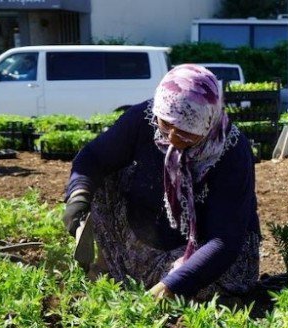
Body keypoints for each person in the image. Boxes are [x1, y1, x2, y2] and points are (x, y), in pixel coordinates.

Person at [62, 64, 261, 301]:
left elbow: (223, 240)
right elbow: (93, 158)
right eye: (166, 125)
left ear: (209, 123)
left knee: (204, 288)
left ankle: (162, 279)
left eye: (187, 132)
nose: (173, 139)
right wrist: (78, 197)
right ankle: (110, 263)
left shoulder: (231, 152)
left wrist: (171, 286)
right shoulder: (143, 119)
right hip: (150, 235)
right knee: (106, 175)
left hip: (208, 250)